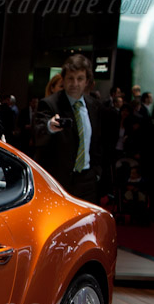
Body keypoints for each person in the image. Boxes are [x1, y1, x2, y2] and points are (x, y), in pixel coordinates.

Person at [35, 54, 103, 203]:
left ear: (86, 81)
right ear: (64, 80)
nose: (75, 83)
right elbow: (37, 134)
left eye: (80, 79)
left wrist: (96, 172)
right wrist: (49, 127)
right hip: (59, 179)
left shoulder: (94, 106)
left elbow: (98, 141)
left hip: (87, 179)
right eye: (70, 78)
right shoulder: (50, 104)